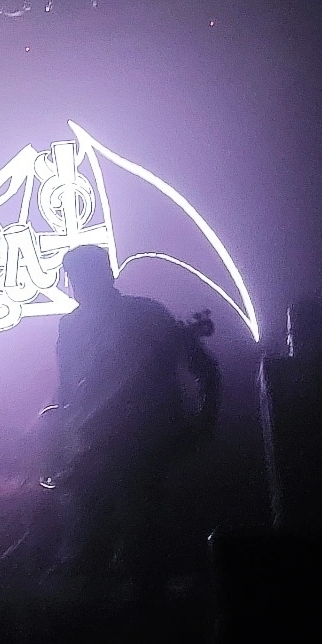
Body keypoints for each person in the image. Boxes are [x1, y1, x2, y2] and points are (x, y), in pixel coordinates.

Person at [54, 244, 221, 598]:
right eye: (73, 279)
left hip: (140, 445)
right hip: (98, 446)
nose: (76, 287)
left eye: (80, 278)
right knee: (98, 542)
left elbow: (205, 368)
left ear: (105, 276)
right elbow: (69, 389)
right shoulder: (72, 326)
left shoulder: (144, 315)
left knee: (134, 539)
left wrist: (203, 421)